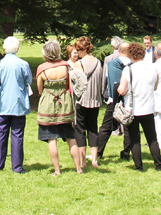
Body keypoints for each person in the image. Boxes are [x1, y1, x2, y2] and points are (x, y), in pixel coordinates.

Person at [36, 40, 83, 175]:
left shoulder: (42, 69)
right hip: (65, 104)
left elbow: (40, 90)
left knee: (52, 139)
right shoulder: (67, 67)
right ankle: (78, 168)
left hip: (48, 105)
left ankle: (57, 170)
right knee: (70, 137)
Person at [117, 42, 161, 171]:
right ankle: (159, 165)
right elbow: (155, 86)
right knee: (152, 138)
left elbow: (121, 90)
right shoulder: (153, 68)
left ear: (130, 55)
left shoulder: (128, 69)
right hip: (148, 107)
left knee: (134, 139)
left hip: (133, 109)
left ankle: (139, 166)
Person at [0, 35, 32, 173]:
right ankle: (17, 166)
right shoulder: (23, 64)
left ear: (4, 48)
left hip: (2, 104)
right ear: (18, 48)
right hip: (18, 104)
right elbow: (28, 81)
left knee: (0, 134)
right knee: (17, 135)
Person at [70, 37, 105, 168]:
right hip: (95, 101)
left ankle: (83, 161)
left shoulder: (79, 64)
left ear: (85, 49)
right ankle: (94, 160)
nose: (77, 52)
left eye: (78, 49)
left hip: (81, 101)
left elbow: (74, 83)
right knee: (93, 129)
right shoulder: (98, 62)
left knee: (79, 130)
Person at [96, 39, 131, 162]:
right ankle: (126, 152)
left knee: (105, 127)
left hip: (114, 99)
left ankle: (98, 152)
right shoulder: (133, 65)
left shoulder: (111, 64)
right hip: (129, 100)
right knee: (128, 129)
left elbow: (109, 81)